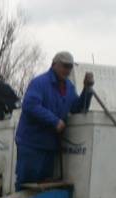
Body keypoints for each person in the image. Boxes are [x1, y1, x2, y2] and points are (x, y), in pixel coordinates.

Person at [14, 51, 95, 189]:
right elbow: (30, 105)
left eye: (69, 67)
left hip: (50, 148)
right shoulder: (40, 82)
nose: (67, 70)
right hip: (32, 145)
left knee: (44, 188)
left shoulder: (69, 87)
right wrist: (54, 121)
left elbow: (77, 107)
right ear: (54, 65)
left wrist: (87, 89)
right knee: (26, 187)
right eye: (64, 66)